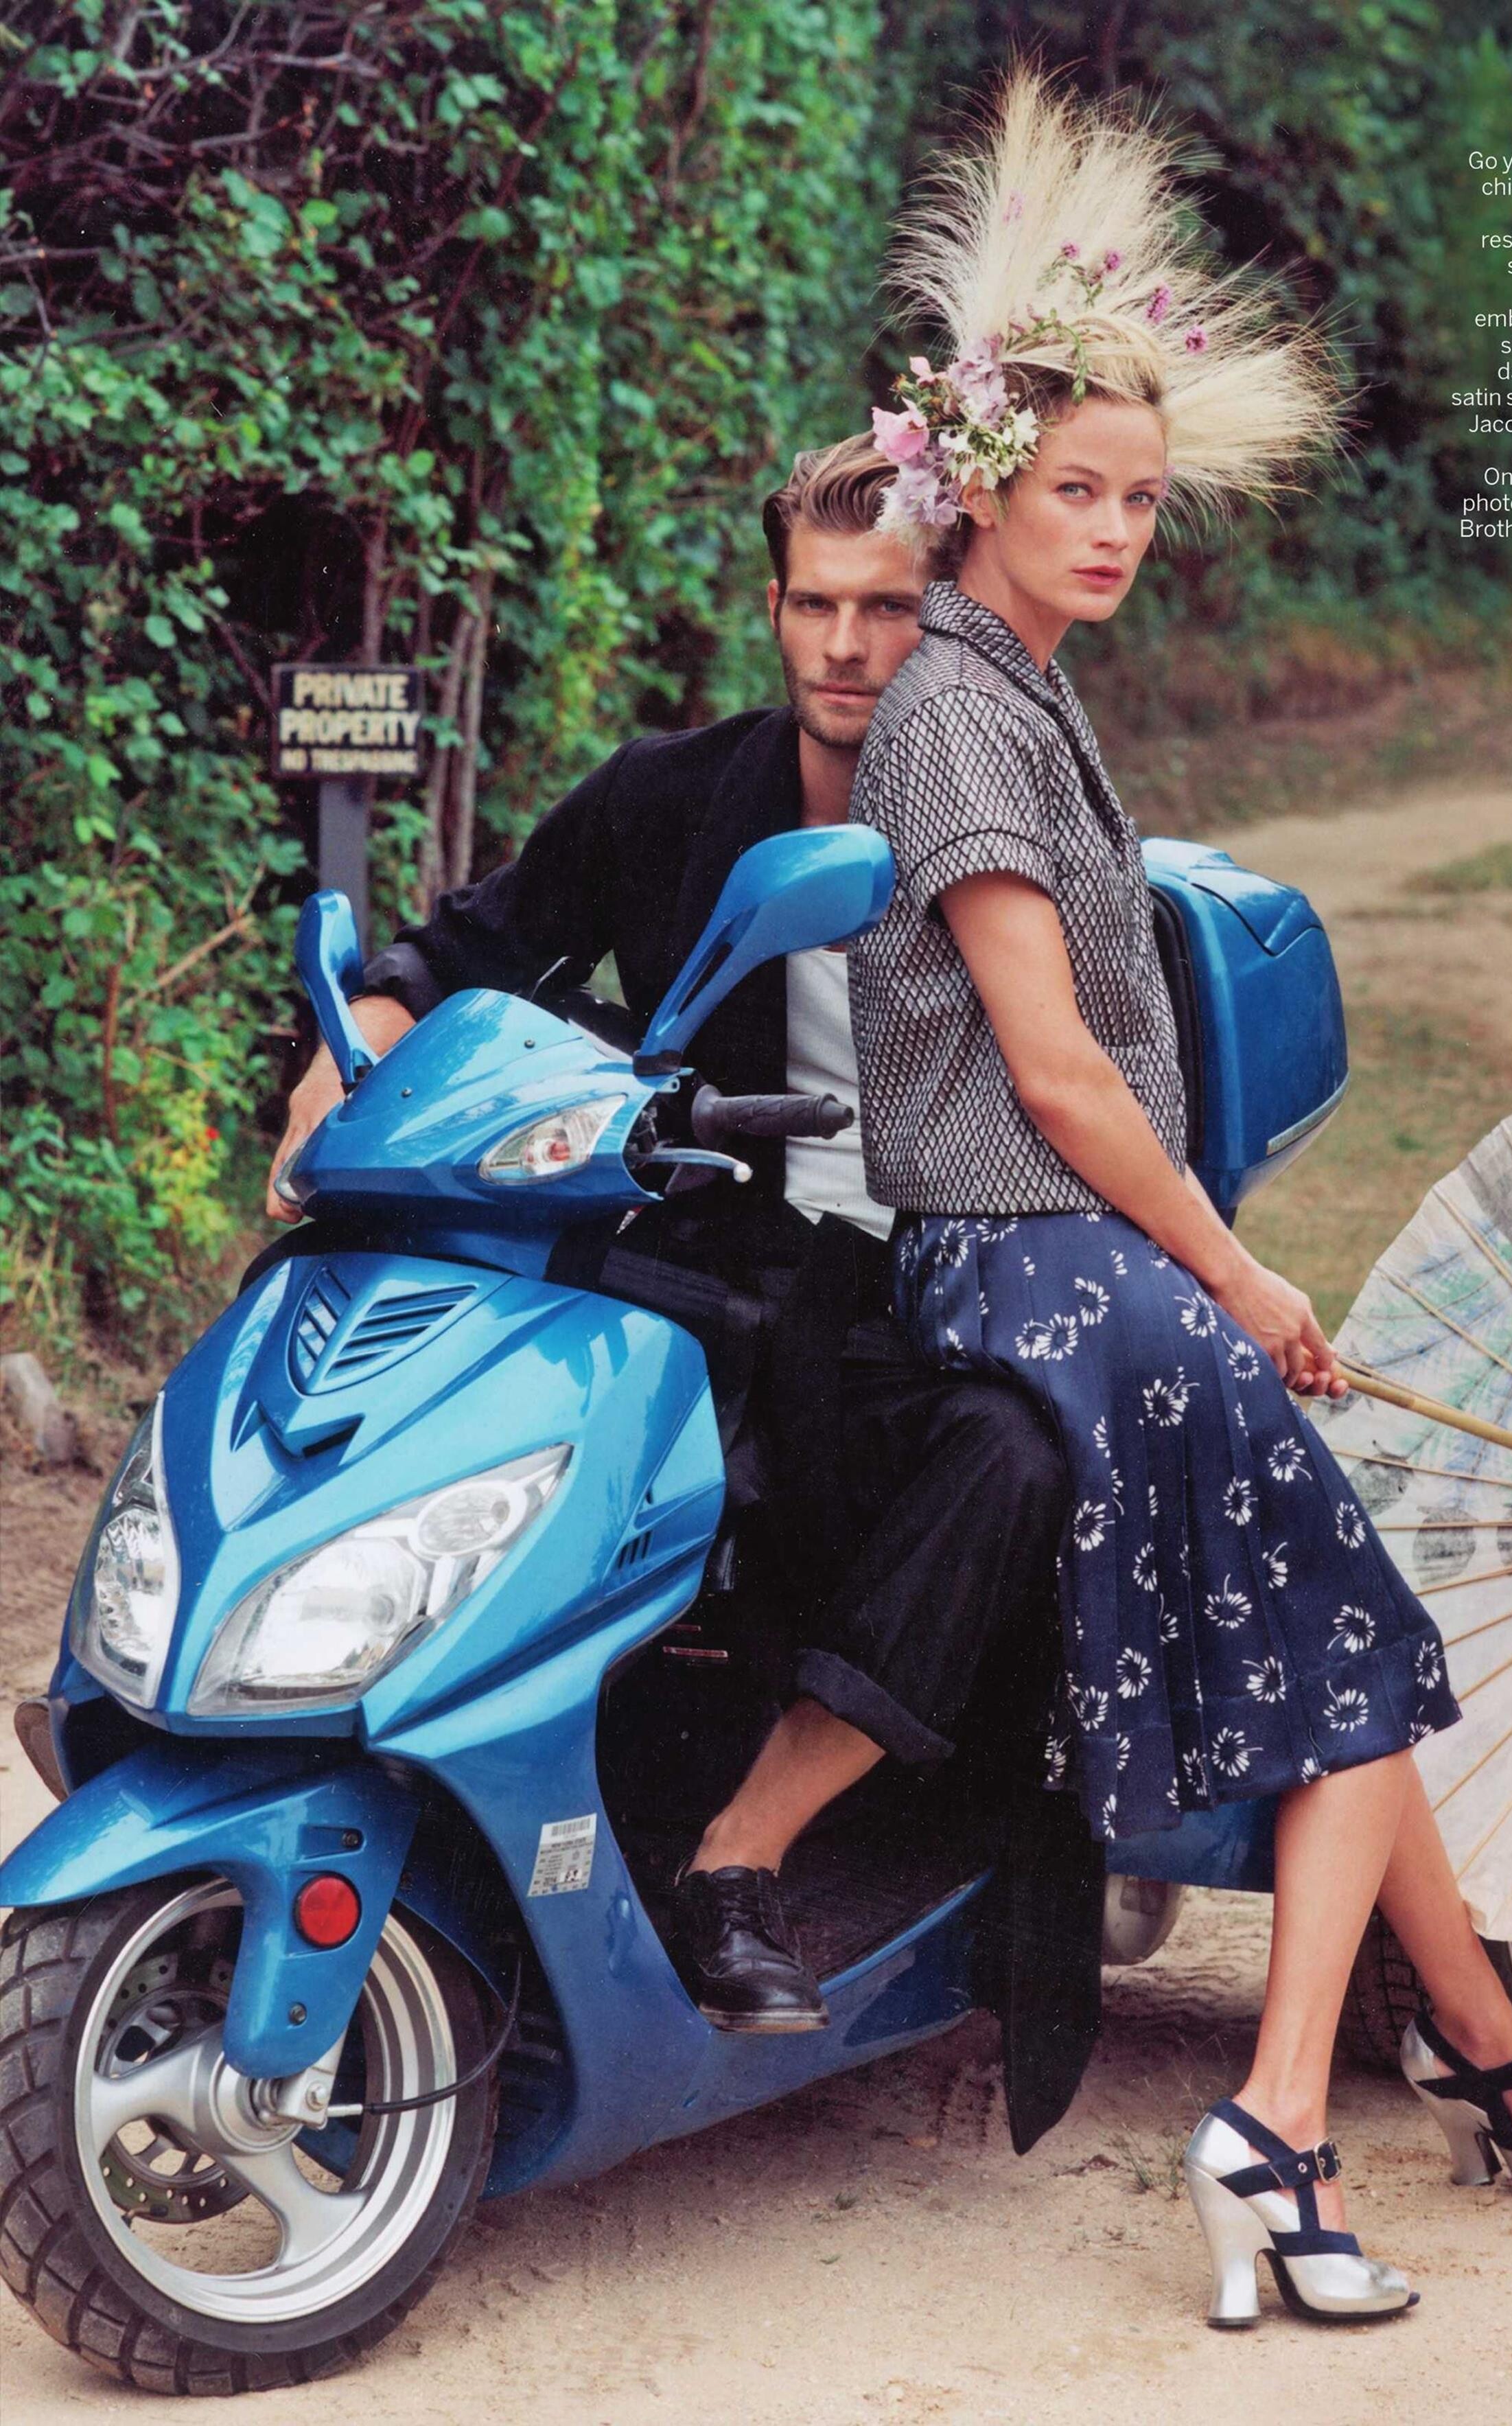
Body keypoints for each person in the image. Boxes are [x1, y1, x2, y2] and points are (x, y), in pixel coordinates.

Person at [846, 67, 1512, 2329]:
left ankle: (1489, 2072)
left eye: (1140, 498)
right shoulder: (956, 716)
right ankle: (1292, 2121)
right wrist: (1238, 1263)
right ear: (982, 487)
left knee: (1336, 1637)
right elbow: (1057, 1072)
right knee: (1354, 1648)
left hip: (1076, 1268)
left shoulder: (1018, 688)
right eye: (1078, 491)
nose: (1117, 530)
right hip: (1040, 1271)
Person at [265, 435, 1084, 2071]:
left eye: (889, 608)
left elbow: (1096, 1071)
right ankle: (307, 1706)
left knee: (1008, 1454)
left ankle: (741, 1852)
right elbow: (463, 949)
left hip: (921, 1293)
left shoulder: (1018, 812)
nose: (845, 646)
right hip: (707, 1265)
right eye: (813, 603)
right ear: (774, 607)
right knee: (391, 1309)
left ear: (951, 615)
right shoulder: (666, 795)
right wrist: (341, 1063)